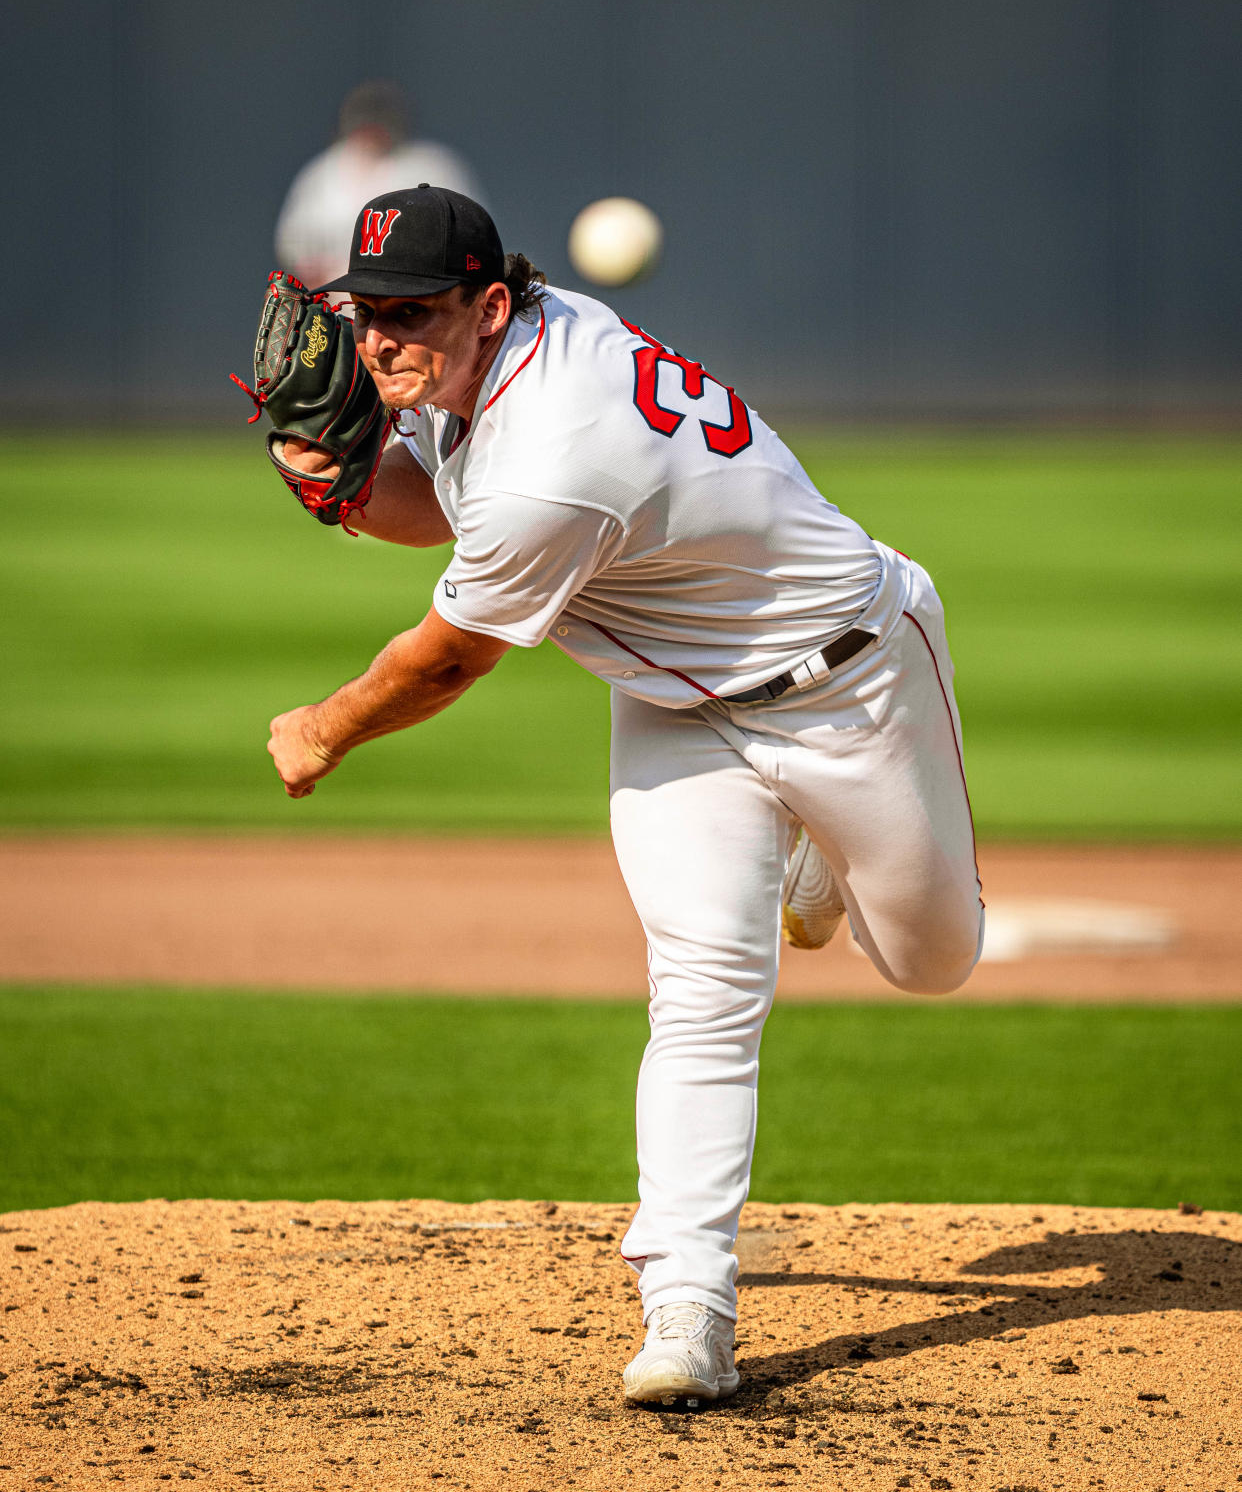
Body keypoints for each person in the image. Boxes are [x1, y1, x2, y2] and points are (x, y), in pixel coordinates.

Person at [265, 185, 985, 1407]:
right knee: (703, 985)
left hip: (850, 682)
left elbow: (447, 654)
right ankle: (689, 1302)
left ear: (490, 305)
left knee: (932, 960)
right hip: (675, 703)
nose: (380, 337)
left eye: (413, 312)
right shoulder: (499, 361)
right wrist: (336, 483)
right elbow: (448, 505)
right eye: (366, 309)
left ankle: (826, 851)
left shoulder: (562, 447)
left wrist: (323, 728)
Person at [274, 82, 485, 290]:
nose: (371, 131)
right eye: (364, 123)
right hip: (337, 296)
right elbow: (292, 240)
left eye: (378, 122)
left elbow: (473, 233)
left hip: (414, 292)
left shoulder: (431, 165)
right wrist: (309, 271)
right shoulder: (322, 173)